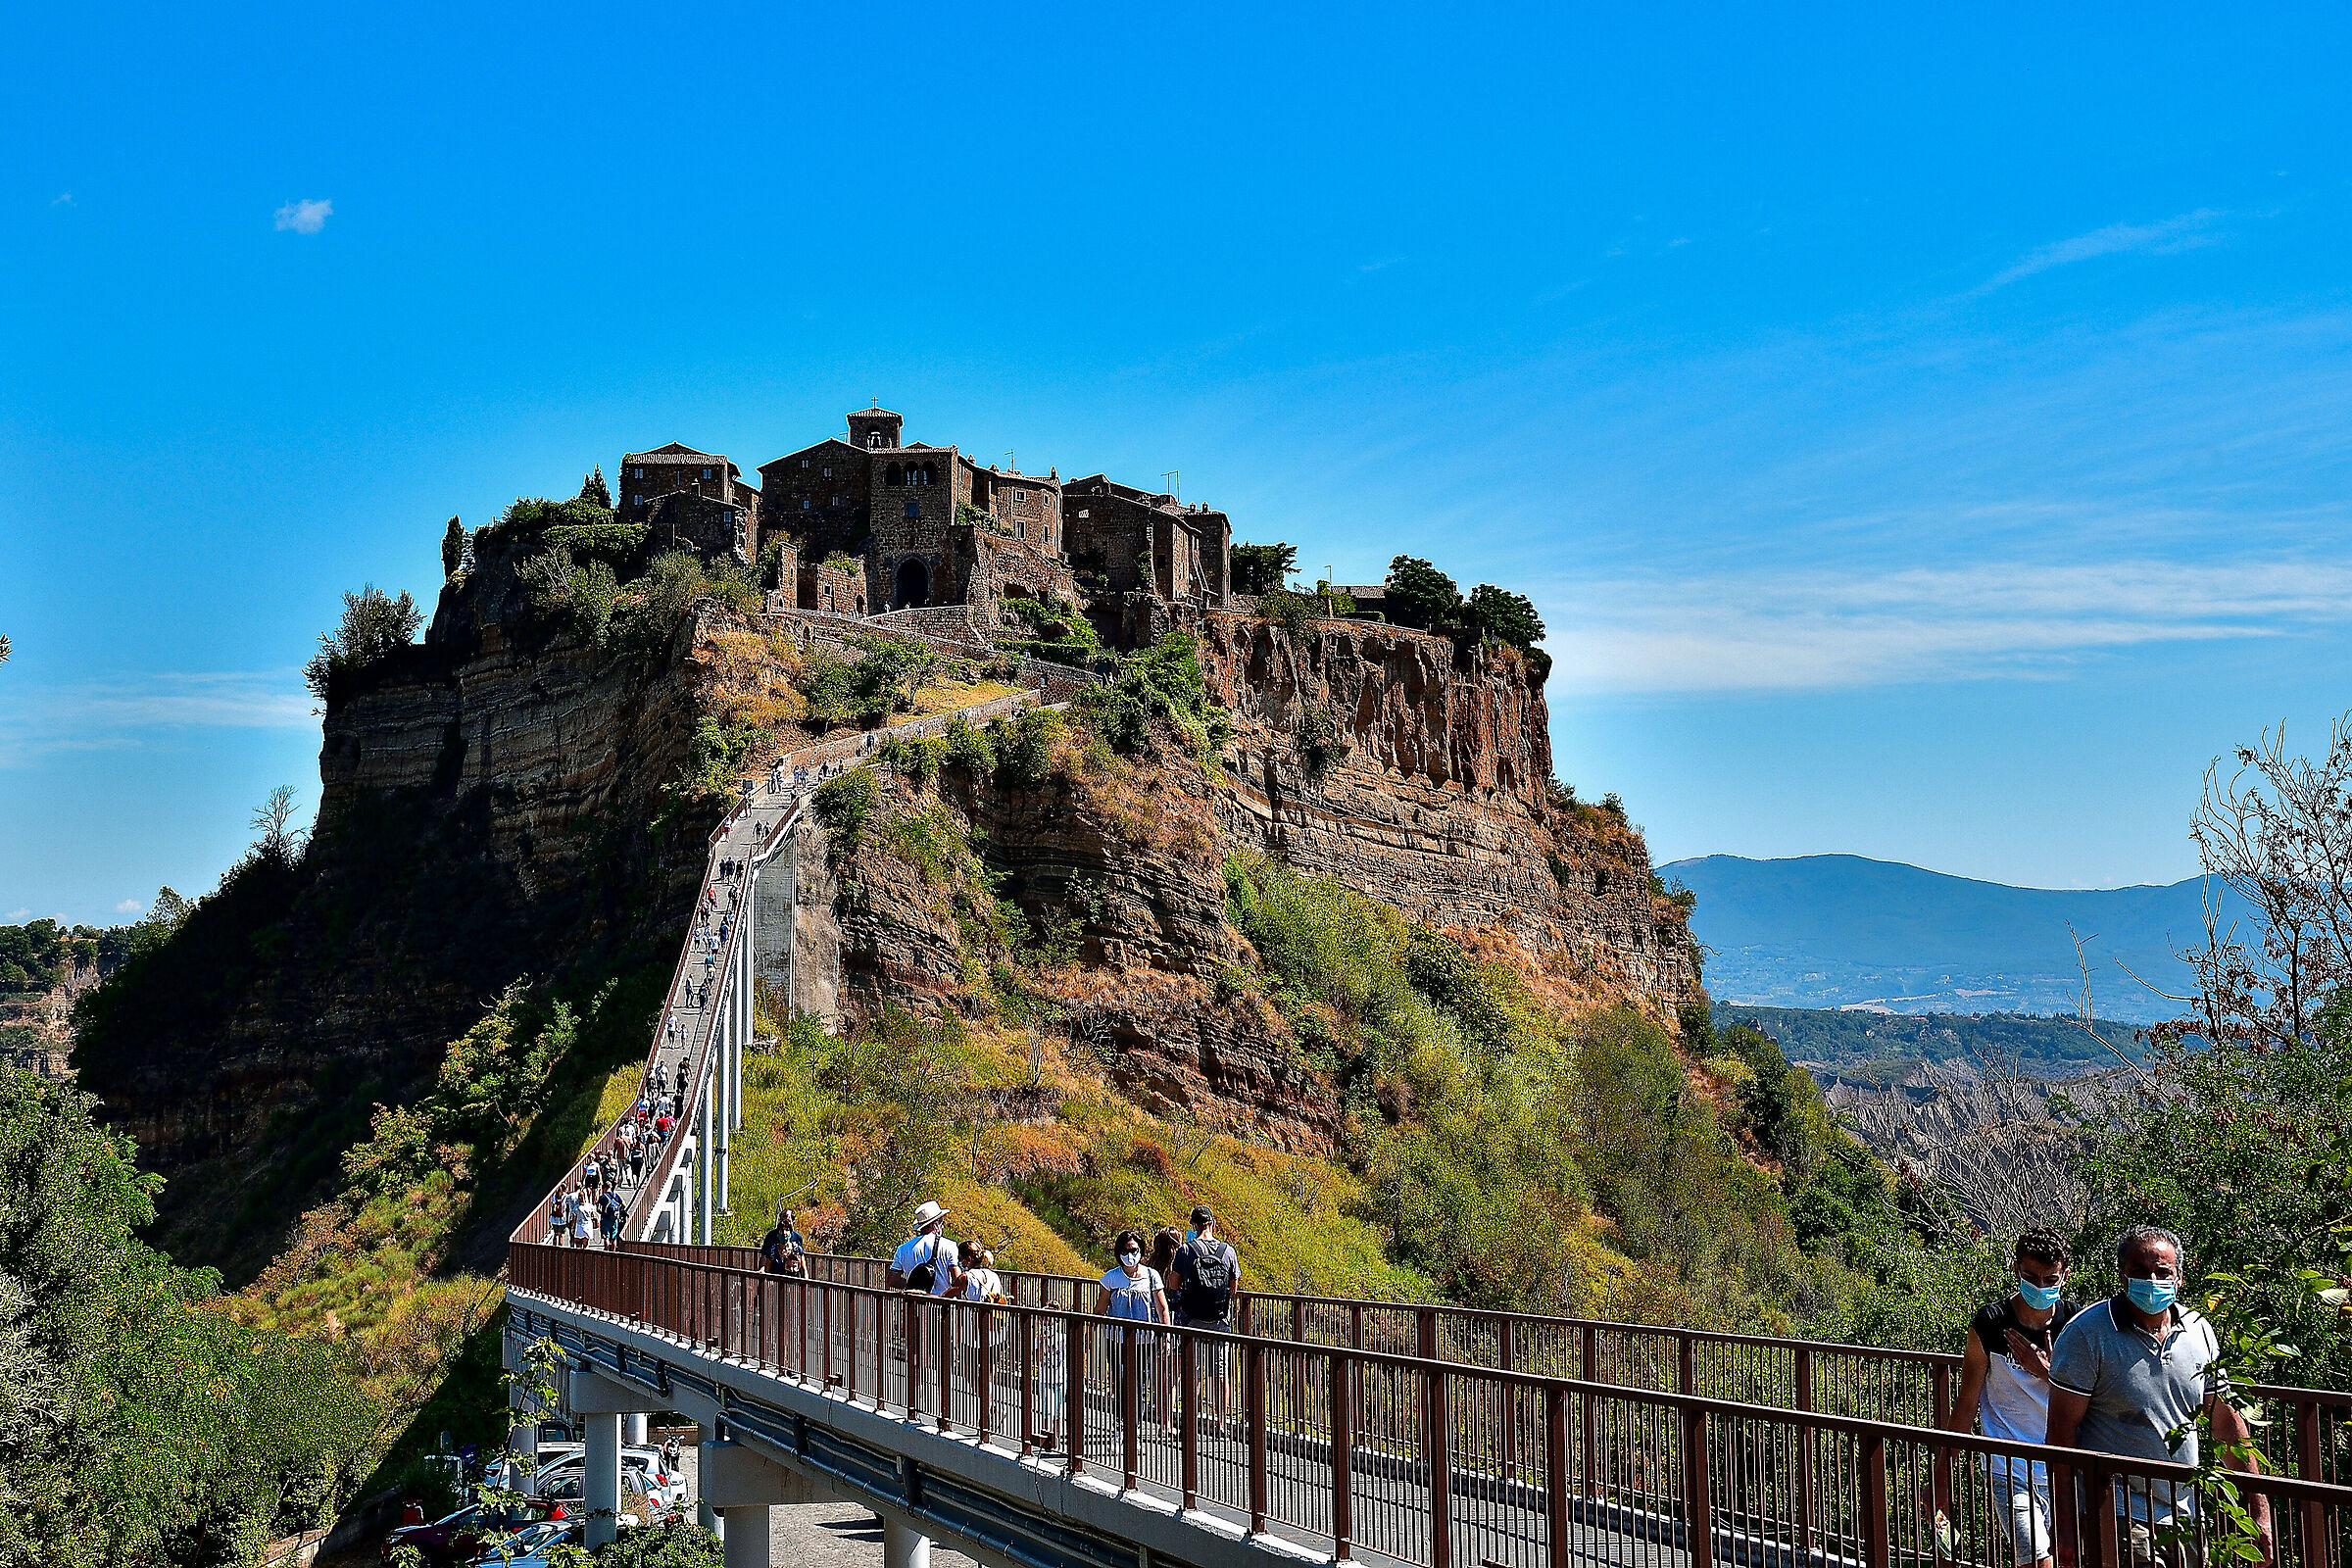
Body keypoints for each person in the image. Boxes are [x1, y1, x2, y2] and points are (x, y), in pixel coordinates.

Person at [2049, 1226, 2273, 1568]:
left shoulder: (2198, 1331)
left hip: (2186, 1517)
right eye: (2139, 1272)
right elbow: (2061, 1437)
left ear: (2179, 1277)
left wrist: (2258, 1510)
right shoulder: (2087, 1334)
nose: (2151, 1281)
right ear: (2122, 1275)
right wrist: (2065, 1530)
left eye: (2162, 1272)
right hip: (2117, 1513)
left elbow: (2226, 1425)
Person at [1936, 1227, 2081, 1567]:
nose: (2040, 1287)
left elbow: (2092, 1399)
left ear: (2064, 1276)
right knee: (2036, 1560)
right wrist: (1940, 1480)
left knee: (2070, 1559)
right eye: (2031, 1276)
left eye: (2050, 1279)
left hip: (2064, 1468)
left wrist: (2046, 1371)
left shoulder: (2075, 1323)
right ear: (2016, 1269)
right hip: (2009, 1467)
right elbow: (1967, 1402)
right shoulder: (1990, 1324)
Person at [1167, 1205, 1242, 1423]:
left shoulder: (1186, 1251)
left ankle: (1190, 1419)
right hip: (1219, 1320)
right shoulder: (1228, 1251)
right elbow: (1233, 1287)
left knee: (1192, 1371)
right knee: (1220, 1374)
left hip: (1192, 1320)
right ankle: (1220, 1422)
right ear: (1213, 1224)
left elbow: (1174, 1284)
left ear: (1193, 1225)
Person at [889, 1200, 963, 1296]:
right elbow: (957, 1280)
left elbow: (892, 1280)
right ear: (934, 1225)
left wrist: (914, 1286)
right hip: (941, 1304)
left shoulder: (903, 1249)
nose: (943, 1226)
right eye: (941, 1222)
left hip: (914, 1304)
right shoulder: (949, 1246)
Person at [760, 1207, 807, 1276]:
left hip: (794, 1277)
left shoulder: (797, 1239)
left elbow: (803, 1267)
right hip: (776, 1277)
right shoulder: (771, 1239)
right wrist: (762, 1270)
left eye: (788, 1220)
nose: (784, 1234)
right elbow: (764, 1257)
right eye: (783, 1219)